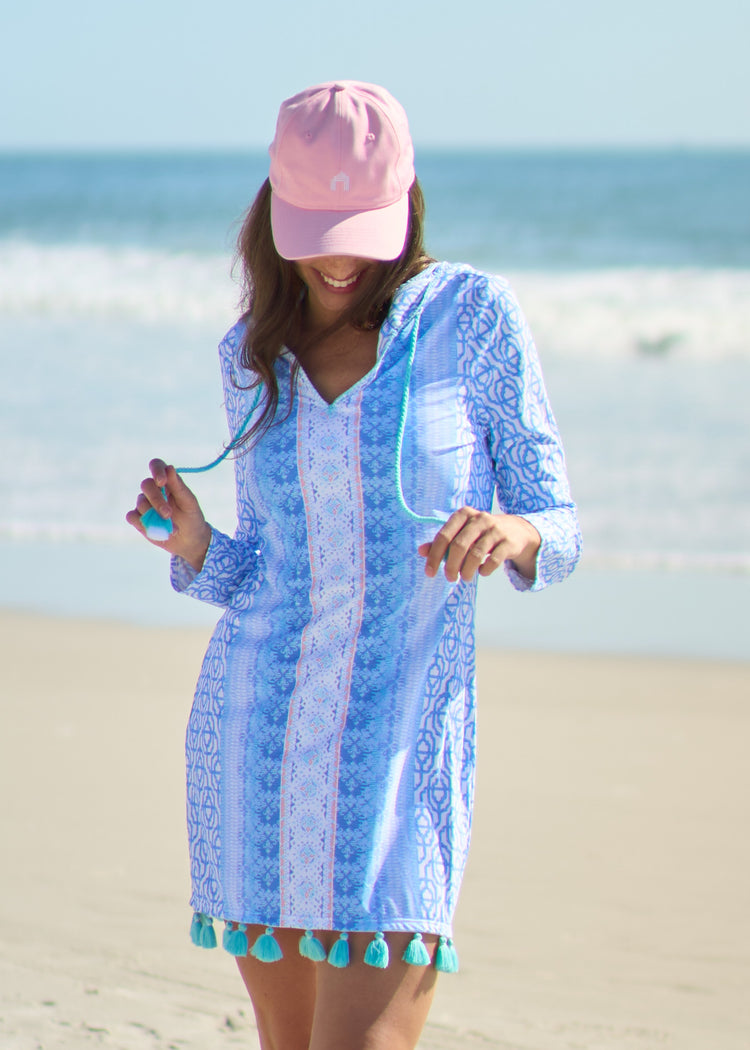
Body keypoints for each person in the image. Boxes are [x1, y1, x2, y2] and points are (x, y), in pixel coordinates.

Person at [127, 81, 581, 1050]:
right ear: (274, 216)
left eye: (358, 228)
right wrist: (199, 545)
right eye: (315, 228)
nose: (337, 258)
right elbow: (268, 580)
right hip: (260, 753)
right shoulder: (252, 358)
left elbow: (562, 520)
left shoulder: (474, 319)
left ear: (406, 205)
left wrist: (516, 532)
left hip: (401, 765)